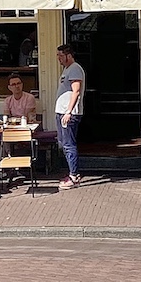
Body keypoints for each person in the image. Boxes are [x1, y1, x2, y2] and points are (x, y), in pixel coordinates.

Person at [55, 44, 84, 190]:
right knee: (64, 143)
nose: (59, 59)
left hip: (68, 114)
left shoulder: (75, 69)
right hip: (61, 112)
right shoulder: (67, 70)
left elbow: (76, 91)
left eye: (61, 55)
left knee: (69, 144)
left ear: (69, 55)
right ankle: (71, 172)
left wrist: (69, 111)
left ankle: (74, 176)